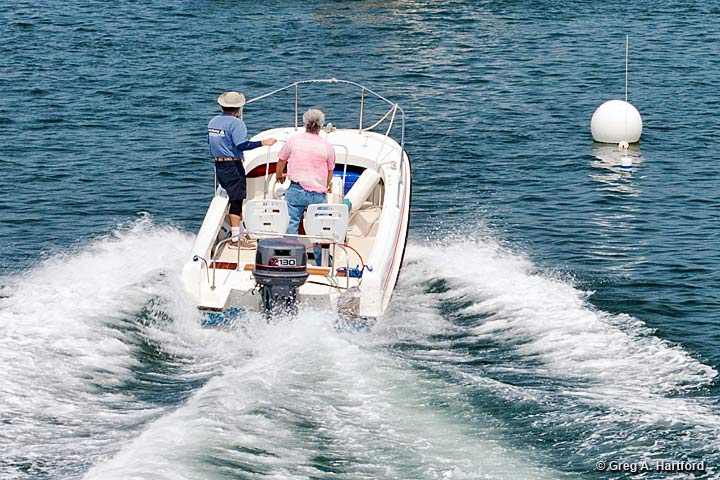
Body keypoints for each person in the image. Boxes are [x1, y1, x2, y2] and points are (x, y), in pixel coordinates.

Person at [208, 91, 276, 248]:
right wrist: (263, 143)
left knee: (234, 197)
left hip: (220, 165)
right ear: (238, 108)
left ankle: (241, 232)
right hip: (232, 166)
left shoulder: (213, 121)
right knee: (237, 200)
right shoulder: (236, 123)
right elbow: (242, 144)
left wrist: (237, 154)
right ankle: (235, 238)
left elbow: (214, 143)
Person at [275, 109, 336, 235]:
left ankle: (291, 252)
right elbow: (330, 170)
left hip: (296, 190)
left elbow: (281, 160)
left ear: (305, 124)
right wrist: (327, 185)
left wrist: (279, 175)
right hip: (317, 193)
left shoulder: (293, 141)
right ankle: (320, 254)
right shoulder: (327, 146)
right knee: (319, 229)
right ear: (320, 126)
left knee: (291, 224)